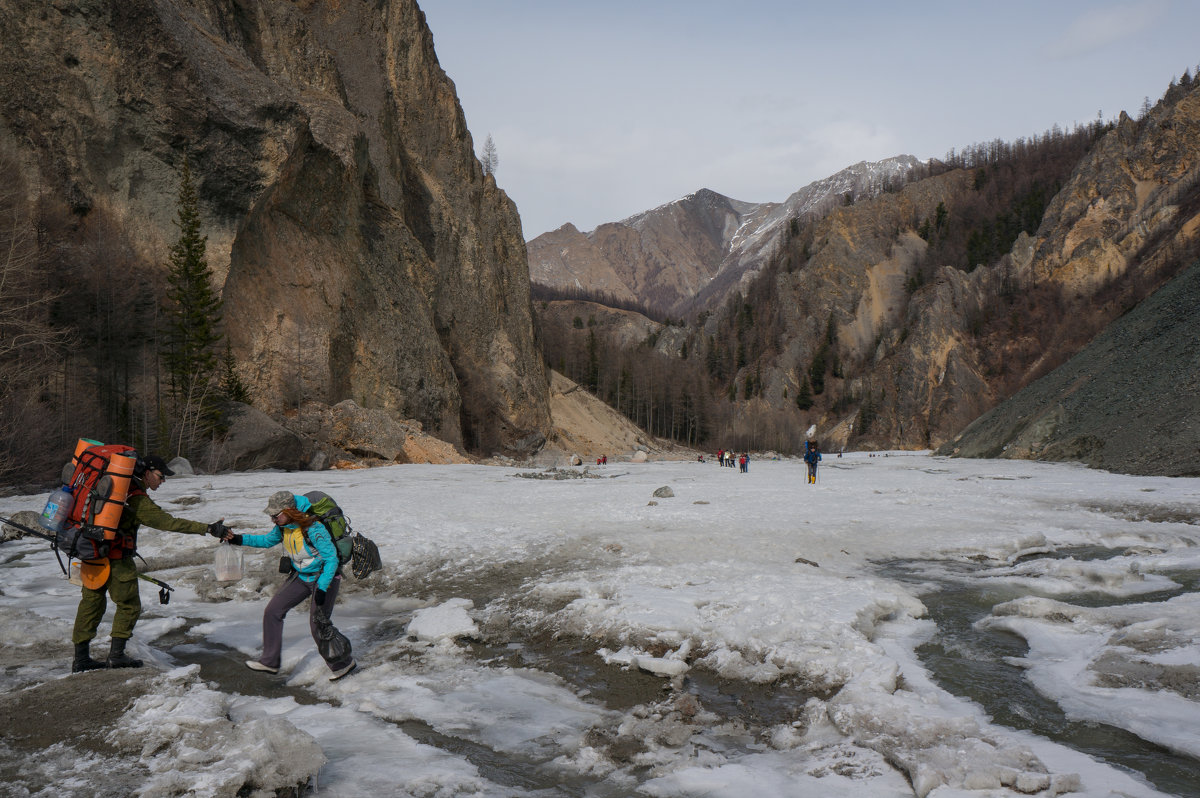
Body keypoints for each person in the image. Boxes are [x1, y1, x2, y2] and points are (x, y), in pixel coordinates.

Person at [72, 454, 229, 672]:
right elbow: (168, 522)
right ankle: (116, 656)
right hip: (117, 559)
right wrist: (208, 528)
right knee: (129, 606)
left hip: (91, 554)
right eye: (160, 476)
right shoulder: (135, 499)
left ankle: (80, 659)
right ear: (146, 473)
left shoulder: (113, 491)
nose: (162, 481)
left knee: (91, 604)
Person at [222, 491, 356, 681]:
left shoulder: (314, 529)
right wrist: (238, 539)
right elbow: (267, 541)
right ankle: (269, 662)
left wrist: (323, 588)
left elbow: (331, 559)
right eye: (271, 515)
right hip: (301, 576)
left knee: (318, 623)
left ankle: (343, 665)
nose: (272, 519)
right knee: (273, 611)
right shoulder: (284, 527)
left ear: (289, 511)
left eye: (275, 515)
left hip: (324, 578)